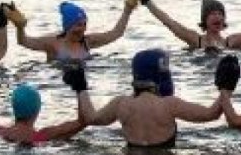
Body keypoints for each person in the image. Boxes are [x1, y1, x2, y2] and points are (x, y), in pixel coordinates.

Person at [66, 49, 222, 149]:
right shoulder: (169, 105)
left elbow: (90, 118)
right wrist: (226, 86)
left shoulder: (121, 104)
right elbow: (212, 114)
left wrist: (81, 87)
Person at [15, 0, 139, 63]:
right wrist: (20, 27)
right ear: (68, 26)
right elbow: (24, 42)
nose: (82, 29)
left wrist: (127, 10)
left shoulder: (87, 42)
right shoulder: (53, 43)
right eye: (78, 25)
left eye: (84, 24)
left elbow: (116, 33)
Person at [0, 83, 85, 145]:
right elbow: (83, 121)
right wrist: (80, 88)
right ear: (37, 111)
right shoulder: (43, 135)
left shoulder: (0, 132)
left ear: (14, 107)